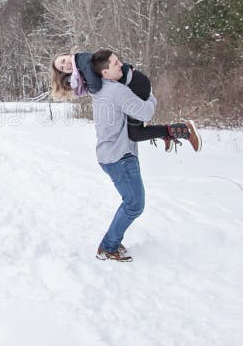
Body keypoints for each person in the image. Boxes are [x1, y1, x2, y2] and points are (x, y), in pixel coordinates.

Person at [50, 51, 202, 152]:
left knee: (135, 134)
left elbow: (96, 86)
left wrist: (90, 88)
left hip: (136, 84)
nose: (65, 65)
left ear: (67, 55)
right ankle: (167, 132)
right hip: (133, 84)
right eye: (62, 67)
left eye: (63, 60)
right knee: (133, 132)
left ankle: (183, 129)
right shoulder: (80, 70)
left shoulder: (81, 60)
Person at [90, 49, 158, 262]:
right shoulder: (117, 92)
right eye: (115, 63)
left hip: (109, 155)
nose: (121, 64)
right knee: (134, 204)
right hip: (120, 157)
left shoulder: (99, 89)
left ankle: (111, 241)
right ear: (105, 73)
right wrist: (152, 95)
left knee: (131, 201)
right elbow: (146, 112)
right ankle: (108, 247)